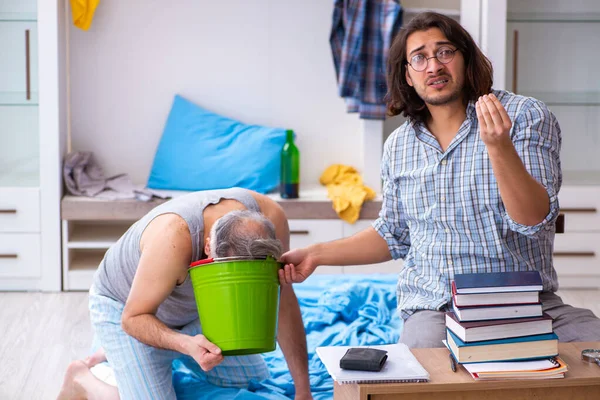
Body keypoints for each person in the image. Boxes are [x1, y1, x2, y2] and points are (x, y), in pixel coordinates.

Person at [279, 11, 600, 348]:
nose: (433, 66)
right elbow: (393, 234)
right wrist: (315, 254)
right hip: (435, 308)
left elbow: (534, 219)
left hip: (526, 303)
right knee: (422, 379)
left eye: (445, 52)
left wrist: (498, 146)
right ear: (408, 74)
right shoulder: (399, 145)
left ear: (466, 58)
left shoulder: (522, 116)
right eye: (419, 58)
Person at [58, 188, 313, 399]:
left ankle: (148, 358)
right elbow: (132, 317)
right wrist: (185, 344)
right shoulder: (172, 237)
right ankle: (82, 376)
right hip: (126, 309)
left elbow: (283, 299)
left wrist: (303, 391)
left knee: (254, 378)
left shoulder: (272, 218)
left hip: (193, 308)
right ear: (208, 247)